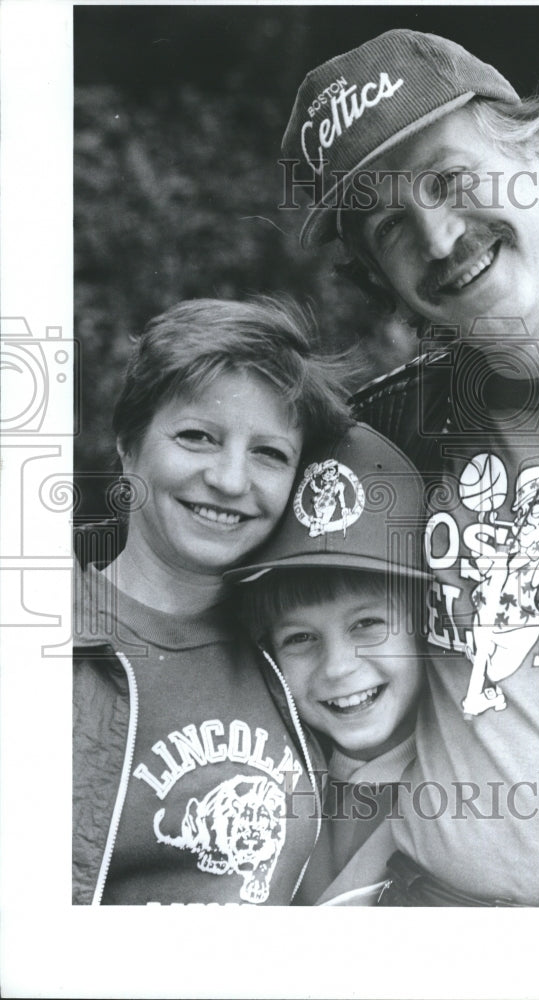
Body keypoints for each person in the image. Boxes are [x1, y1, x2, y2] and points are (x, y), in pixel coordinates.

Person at [281, 29, 539, 906]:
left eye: (449, 181)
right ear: (379, 272)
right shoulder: (390, 428)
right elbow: (191, 546)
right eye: (390, 225)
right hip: (422, 915)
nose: (439, 235)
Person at [72, 295, 352, 905]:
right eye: (198, 437)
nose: (230, 480)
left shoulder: (298, 649)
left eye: (269, 453)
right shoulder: (40, 641)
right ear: (128, 444)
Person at [228, 422, 431, 905]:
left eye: (366, 624)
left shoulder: (471, 779)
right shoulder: (267, 783)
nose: (338, 667)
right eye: (299, 637)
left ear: (428, 622)